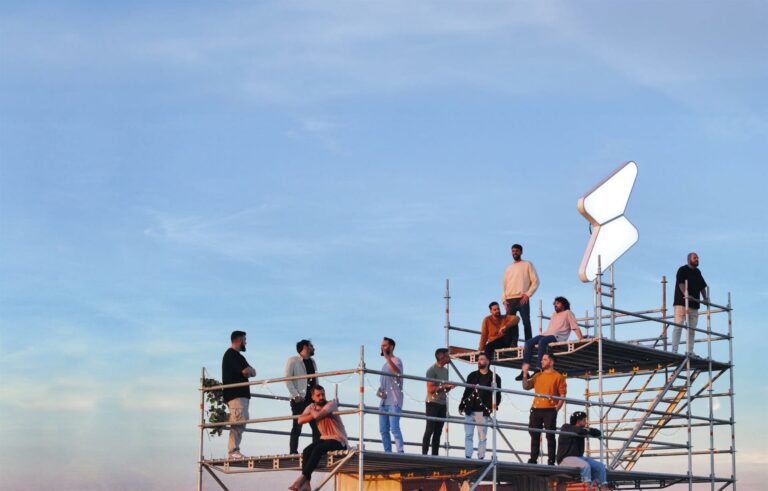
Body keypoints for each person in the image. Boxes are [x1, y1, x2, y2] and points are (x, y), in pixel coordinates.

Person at [288, 385, 348, 491]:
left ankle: (302, 478)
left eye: (323, 394)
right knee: (306, 450)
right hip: (325, 438)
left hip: (339, 440)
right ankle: (307, 482)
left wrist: (312, 412)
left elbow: (318, 416)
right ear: (313, 397)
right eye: (318, 395)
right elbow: (300, 421)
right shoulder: (312, 406)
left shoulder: (331, 404)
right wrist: (312, 413)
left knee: (318, 449)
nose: (321, 397)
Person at [517, 297, 583, 381]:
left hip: (558, 336)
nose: (555, 305)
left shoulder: (568, 313)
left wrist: (581, 338)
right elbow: (551, 328)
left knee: (542, 341)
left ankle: (539, 368)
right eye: (554, 303)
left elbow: (574, 327)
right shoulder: (554, 314)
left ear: (563, 304)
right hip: (547, 334)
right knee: (528, 343)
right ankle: (524, 371)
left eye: (557, 303)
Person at [522, 353, 566, 465]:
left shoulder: (558, 376)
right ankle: (533, 459)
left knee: (550, 435)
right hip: (536, 408)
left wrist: (557, 408)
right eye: (542, 359)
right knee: (534, 434)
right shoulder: (538, 375)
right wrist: (525, 373)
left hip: (550, 409)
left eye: (544, 359)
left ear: (551, 362)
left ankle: (551, 460)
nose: (541, 361)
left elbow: (562, 394)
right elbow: (526, 386)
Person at [221, 330, 257, 460]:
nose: (246, 342)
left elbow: (253, 372)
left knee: (241, 419)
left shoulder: (238, 356)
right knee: (239, 422)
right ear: (239, 340)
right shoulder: (231, 355)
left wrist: (249, 371)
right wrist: (249, 371)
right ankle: (233, 451)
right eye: (245, 340)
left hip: (240, 395)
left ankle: (223, 419)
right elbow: (246, 372)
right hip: (236, 395)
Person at [458, 353, 501, 459]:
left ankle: (480, 457)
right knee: (468, 435)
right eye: (478, 359)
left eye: (482, 359)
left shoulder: (494, 377)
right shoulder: (472, 375)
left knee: (482, 437)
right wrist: (462, 404)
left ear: (488, 361)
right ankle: (468, 456)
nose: (479, 361)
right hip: (469, 409)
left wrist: (491, 408)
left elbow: (498, 395)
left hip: (482, 411)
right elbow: (467, 391)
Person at [285, 339, 321, 454]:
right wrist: (295, 395)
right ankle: (293, 452)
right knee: (297, 426)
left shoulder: (313, 361)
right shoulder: (293, 360)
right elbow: (287, 379)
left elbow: (315, 380)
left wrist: (318, 397)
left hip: (312, 400)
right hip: (299, 400)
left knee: (316, 427)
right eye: (311, 346)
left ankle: (316, 451)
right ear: (305, 347)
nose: (313, 348)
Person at [557, 411, 608, 490]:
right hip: (565, 458)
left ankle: (603, 487)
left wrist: (587, 430)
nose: (586, 422)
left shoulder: (583, 429)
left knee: (600, 467)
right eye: (584, 420)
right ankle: (587, 488)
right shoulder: (566, 427)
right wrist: (587, 430)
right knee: (585, 466)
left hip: (580, 457)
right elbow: (579, 431)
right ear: (578, 421)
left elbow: (598, 433)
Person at [669, 252, 709, 354]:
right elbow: (681, 283)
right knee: (678, 326)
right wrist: (686, 294)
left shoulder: (697, 272)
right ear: (689, 259)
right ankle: (674, 350)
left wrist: (705, 298)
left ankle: (690, 351)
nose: (697, 259)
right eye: (695, 258)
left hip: (694, 305)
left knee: (692, 329)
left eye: (697, 258)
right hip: (681, 303)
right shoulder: (682, 270)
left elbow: (702, 286)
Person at [503, 243, 540, 342]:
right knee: (510, 323)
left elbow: (536, 281)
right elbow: (504, 285)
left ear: (521, 252)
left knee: (526, 321)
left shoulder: (527, 264)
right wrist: (504, 300)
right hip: (509, 299)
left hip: (522, 298)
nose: (514, 253)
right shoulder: (508, 268)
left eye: (517, 251)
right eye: (513, 251)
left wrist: (527, 294)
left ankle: (529, 342)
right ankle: (511, 343)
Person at [422, 348, 455, 455]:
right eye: (447, 355)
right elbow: (430, 389)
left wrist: (449, 387)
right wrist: (444, 386)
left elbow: (443, 389)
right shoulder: (431, 370)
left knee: (438, 431)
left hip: (442, 403)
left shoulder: (446, 371)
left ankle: (435, 456)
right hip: (432, 403)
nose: (449, 357)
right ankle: (424, 455)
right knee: (430, 429)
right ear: (441, 356)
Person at [377, 337, 404, 453]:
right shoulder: (384, 366)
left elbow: (397, 373)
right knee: (383, 430)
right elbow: (381, 387)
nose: (382, 348)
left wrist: (388, 358)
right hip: (383, 403)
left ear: (391, 347)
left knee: (394, 428)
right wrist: (379, 393)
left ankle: (400, 452)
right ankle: (387, 452)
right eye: (381, 346)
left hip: (394, 401)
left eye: (384, 345)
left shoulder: (397, 360)